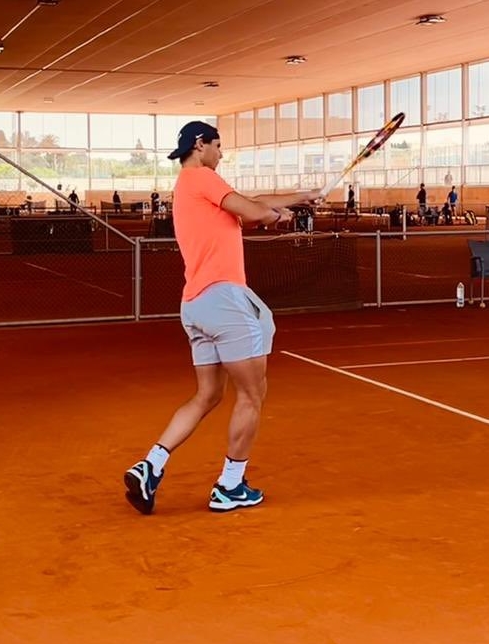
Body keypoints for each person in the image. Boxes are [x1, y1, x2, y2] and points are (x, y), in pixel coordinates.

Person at [123, 121, 317, 515]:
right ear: (200, 145)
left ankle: (151, 465)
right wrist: (271, 216)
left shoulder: (191, 186)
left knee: (208, 395)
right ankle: (230, 486)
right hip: (224, 300)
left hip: (195, 304)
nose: (221, 154)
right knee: (252, 394)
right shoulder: (201, 176)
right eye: (218, 146)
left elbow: (251, 200)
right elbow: (253, 209)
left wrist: (302, 196)